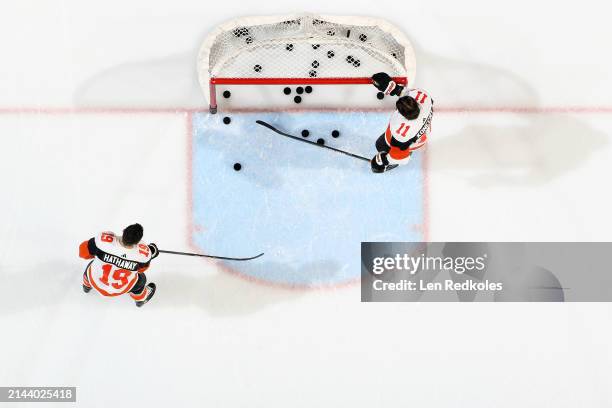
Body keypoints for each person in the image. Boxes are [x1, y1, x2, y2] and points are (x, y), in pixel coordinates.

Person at [79, 223, 158, 307]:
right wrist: (152, 252)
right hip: (120, 288)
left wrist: (101, 255)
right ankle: (141, 298)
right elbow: (141, 270)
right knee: (141, 279)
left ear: (123, 231)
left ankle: (87, 286)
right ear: (137, 241)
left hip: (95, 281)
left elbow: (82, 252)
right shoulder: (143, 255)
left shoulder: (102, 242)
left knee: (91, 267)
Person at [370, 72, 434, 173]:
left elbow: (403, 158)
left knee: (380, 145)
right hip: (422, 135)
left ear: (404, 116)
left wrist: (385, 161)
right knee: (400, 145)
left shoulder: (400, 130)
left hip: (411, 141)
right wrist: (395, 88)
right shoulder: (423, 97)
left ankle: (392, 164)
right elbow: (407, 94)